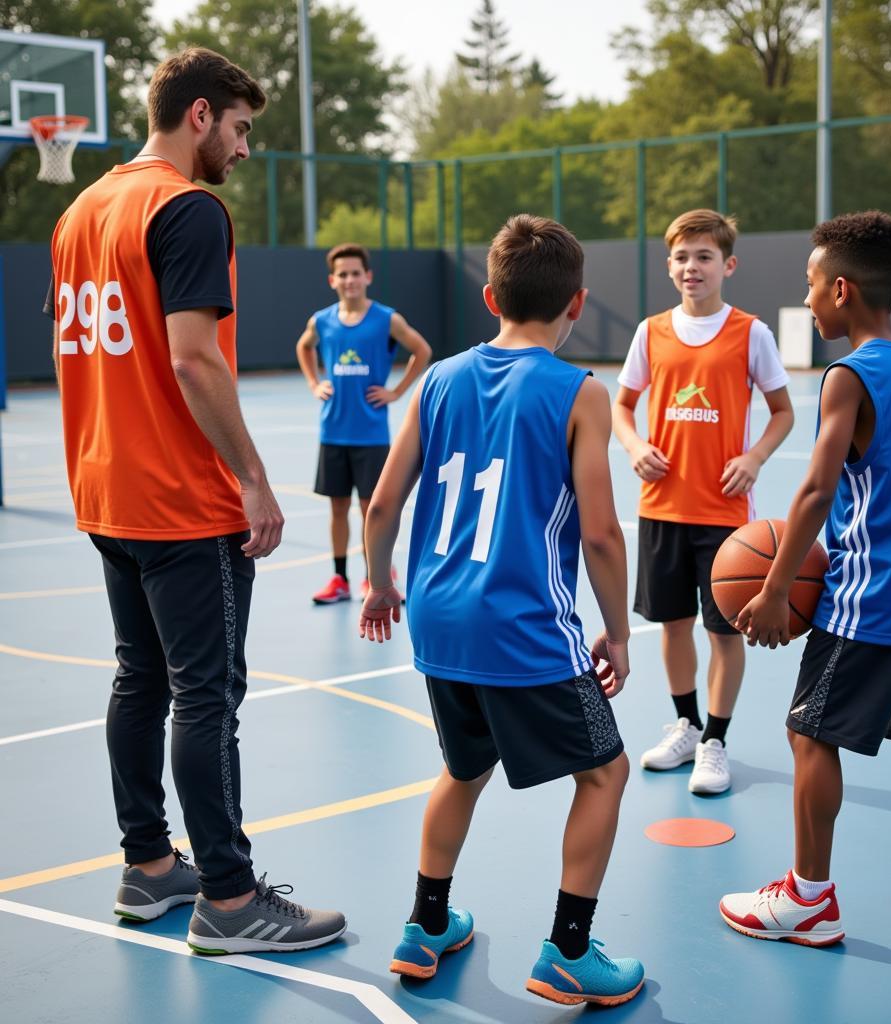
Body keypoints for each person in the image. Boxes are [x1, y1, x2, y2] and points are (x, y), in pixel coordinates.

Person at [46, 47, 345, 954]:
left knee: (141, 678)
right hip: (180, 498)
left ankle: (148, 867)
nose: (246, 150)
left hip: (103, 489)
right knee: (206, 696)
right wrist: (254, 479)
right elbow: (191, 355)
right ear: (203, 114)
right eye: (244, 129)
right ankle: (228, 895)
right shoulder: (187, 207)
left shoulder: (80, 211)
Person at [358, 214, 645, 1007]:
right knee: (605, 774)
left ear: (490, 296)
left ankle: (424, 927)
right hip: (521, 628)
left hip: (439, 621)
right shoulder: (580, 392)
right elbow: (602, 535)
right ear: (577, 304)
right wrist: (617, 631)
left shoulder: (441, 378)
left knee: (462, 767)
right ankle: (569, 951)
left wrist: (380, 584)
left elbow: (382, 505)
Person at [720, 210, 891, 945]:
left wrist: (776, 588)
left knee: (809, 732)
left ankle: (807, 899)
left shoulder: (849, 375)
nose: (806, 299)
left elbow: (814, 491)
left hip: (876, 588)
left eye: (810, 285)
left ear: (841, 290)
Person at [612, 209, 793, 794]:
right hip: (661, 505)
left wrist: (755, 457)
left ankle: (716, 739)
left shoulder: (751, 332)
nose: (693, 267)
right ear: (669, 266)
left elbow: (784, 411)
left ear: (728, 265)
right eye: (682, 257)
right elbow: (621, 406)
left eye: (704, 256)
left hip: (723, 513)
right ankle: (686, 725)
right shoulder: (650, 332)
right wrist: (635, 443)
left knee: (723, 633)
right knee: (672, 626)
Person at [296, 244, 431, 604]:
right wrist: (314, 382)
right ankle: (339, 578)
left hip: (371, 434)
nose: (350, 279)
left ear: (368, 277)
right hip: (333, 432)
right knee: (337, 508)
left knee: (372, 509)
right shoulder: (321, 321)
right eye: (343, 274)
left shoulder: (386, 319)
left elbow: (423, 350)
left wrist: (396, 392)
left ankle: (376, 577)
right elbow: (304, 347)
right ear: (332, 280)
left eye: (356, 273)